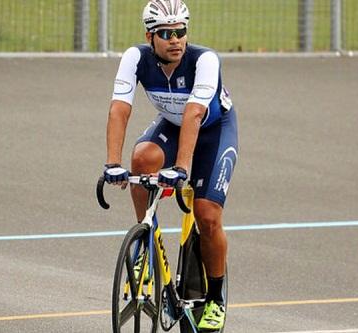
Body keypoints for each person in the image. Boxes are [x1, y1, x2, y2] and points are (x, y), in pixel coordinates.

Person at [102, 0, 238, 330]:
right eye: (167, 33)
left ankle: (216, 298)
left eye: (181, 31)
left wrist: (180, 168)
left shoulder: (204, 60)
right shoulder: (135, 58)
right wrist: (112, 163)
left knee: (207, 215)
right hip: (173, 125)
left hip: (213, 130)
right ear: (150, 37)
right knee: (141, 161)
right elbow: (119, 108)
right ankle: (144, 244)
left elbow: (194, 114)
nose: (176, 39)